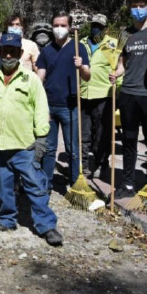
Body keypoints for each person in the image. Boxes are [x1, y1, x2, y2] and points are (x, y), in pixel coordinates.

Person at [0, 33, 63, 246]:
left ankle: (46, 225)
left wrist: (42, 138)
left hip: (25, 145)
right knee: (2, 185)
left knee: (35, 185)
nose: (8, 55)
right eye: (4, 50)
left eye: (12, 51)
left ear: (20, 53)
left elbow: (41, 109)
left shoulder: (31, 79)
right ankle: (7, 220)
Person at [109, 0, 147, 198]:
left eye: (142, 6)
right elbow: (122, 64)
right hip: (128, 93)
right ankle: (128, 184)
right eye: (134, 6)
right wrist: (116, 73)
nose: (138, 10)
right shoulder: (125, 34)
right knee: (129, 141)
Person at [36, 12, 91, 188]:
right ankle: (46, 184)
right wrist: (38, 102)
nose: (59, 29)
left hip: (70, 106)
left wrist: (81, 66)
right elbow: (39, 78)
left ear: (70, 27)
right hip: (49, 106)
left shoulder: (78, 48)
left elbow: (88, 76)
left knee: (73, 149)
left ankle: (76, 183)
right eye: (56, 25)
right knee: (49, 149)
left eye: (63, 25)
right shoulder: (46, 50)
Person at [79, 14, 116, 179]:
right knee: (83, 133)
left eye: (100, 27)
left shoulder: (111, 44)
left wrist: (118, 92)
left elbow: (118, 69)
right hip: (83, 94)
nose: (96, 29)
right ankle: (84, 164)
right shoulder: (81, 43)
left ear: (106, 29)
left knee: (101, 133)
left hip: (103, 95)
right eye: (94, 25)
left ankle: (101, 162)